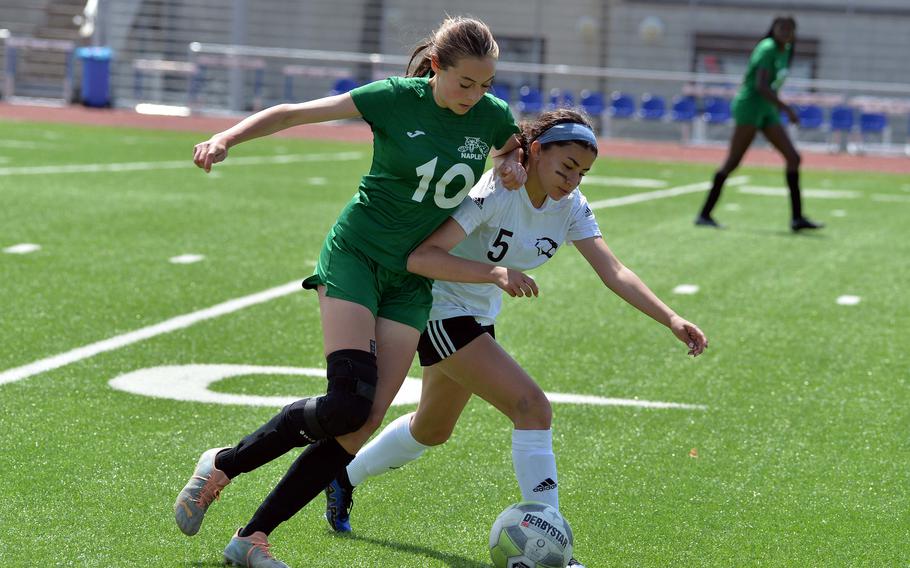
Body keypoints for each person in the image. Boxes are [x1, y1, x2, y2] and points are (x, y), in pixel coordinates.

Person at [174, 16, 527, 568]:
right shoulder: (391, 99)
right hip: (357, 255)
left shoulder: (492, 115)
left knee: (358, 426)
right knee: (346, 401)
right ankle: (222, 463)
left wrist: (512, 166)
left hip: (413, 279)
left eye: (486, 85)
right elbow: (296, 113)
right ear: (436, 66)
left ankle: (252, 539)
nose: (476, 96)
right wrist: (226, 138)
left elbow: (514, 150)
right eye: (465, 83)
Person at [323, 109, 709, 568]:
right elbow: (423, 256)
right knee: (532, 406)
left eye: (582, 172)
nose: (573, 180)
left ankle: (342, 473)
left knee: (431, 429)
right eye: (566, 167)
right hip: (437, 309)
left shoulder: (571, 205)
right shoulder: (497, 191)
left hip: (476, 316)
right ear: (537, 150)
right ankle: (555, 546)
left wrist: (670, 317)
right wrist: (496, 273)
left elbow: (614, 270)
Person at [695, 16, 824, 232]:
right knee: (733, 162)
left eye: (789, 28)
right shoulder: (767, 49)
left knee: (793, 157)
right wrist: (787, 109)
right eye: (781, 27)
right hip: (750, 106)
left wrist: (777, 107)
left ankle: (797, 218)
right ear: (773, 29)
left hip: (766, 109)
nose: (784, 31)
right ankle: (704, 214)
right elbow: (761, 86)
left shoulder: (786, 50)